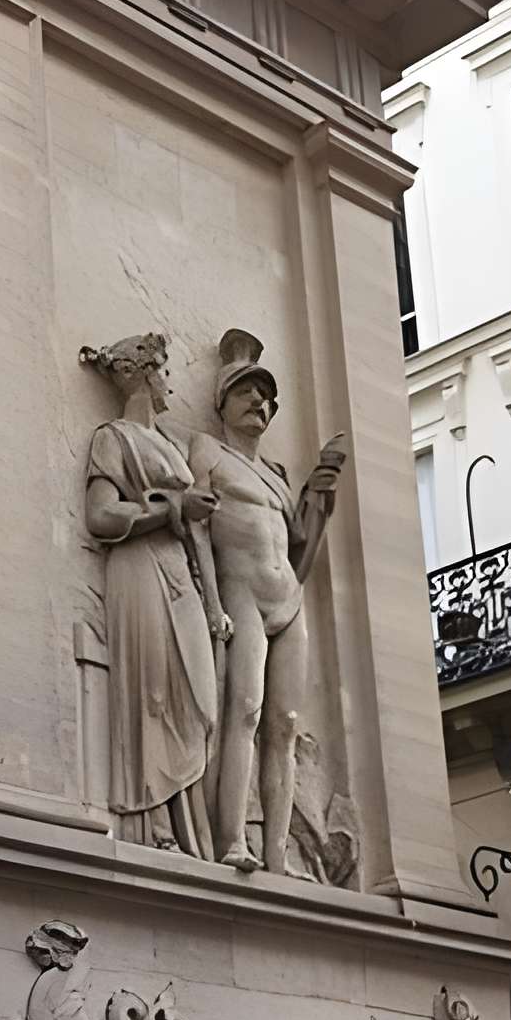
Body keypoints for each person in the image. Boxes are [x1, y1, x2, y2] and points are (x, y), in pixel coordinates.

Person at [188, 330, 343, 874]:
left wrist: (319, 492)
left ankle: (277, 855)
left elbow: (300, 545)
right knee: (245, 711)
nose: (260, 403)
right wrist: (211, 601)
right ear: (223, 403)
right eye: (247, 393)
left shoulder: (276, 476)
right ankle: (231, 838)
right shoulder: (206, 451)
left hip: (288, 600)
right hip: (242, 594)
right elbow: (195, 530)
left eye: (266, 398)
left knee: (285, 722)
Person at [79, 332, 229, 855]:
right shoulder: (114, 438)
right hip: (139, 567)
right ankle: (158, 830)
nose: (170, 384)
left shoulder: (167, 444)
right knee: (154, 692)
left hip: (178, 571)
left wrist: (213, 603)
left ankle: (192, 833)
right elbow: (100, 514)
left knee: (198, 699)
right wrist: (169, 511)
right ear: (144, 373)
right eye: (164, 371)